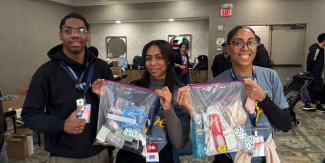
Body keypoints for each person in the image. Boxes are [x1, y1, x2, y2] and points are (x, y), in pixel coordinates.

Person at [176, 26, 291, 163]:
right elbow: (210, 134)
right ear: (228, 49)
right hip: (228, 157)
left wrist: (262, 98)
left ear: (256, 46)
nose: (245, 48)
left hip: (265, 156)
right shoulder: (216, 85)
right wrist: (192, 111)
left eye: (251, 42)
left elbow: (285, 124)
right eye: (238, 43)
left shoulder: (270, 76)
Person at [21, 13, 115, 163]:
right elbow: (29, 116)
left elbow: (113, 110)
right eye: (68, 31)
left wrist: (110, 150)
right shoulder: (46, 72)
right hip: (63, 155)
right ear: (60, 35)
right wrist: (62, 125)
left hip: (99, 151)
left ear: (88, 35)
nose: (75, 35)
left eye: (81, 31)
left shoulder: (101, 68)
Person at [93, 40, 190, 163]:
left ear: (169, 60)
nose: (153, 63)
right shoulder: (133, 88)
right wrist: (103, 97)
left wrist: (167, 108)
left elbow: (179, 142)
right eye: (148, 58)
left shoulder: (178, 94)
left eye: (159, 58)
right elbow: (117, 121)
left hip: (161, 155)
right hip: (130, 154)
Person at [304, 33, 325, 112]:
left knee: (318, 89)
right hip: (314, 73)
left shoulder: (321, 50)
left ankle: (318, 106)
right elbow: (310, 61)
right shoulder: (316, 49)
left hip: (319, 73)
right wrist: (310, 72)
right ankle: (307, 104)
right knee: (312, 89)